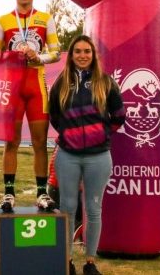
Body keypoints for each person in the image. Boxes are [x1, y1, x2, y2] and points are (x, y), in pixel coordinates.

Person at [48, 35, 125, 275]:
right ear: (70, 55)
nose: (82, 55)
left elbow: (119, 115)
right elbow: (54, 116)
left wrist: (100, 135)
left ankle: (90, 262)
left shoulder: (106, 82)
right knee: (67, 208)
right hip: (68, 155)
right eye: (78, 51)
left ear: (93, 55)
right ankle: (66, 261)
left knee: (93, 209)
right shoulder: (61, 82)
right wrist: (70, 135)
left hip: (98, 157)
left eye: (87, 51)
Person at [0, 0, 60, 212]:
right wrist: (2, 56)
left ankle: (42, 194)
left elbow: (56, 53)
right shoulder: (3, 21)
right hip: (12, 88)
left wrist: (38, 56)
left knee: (40, 143)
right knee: (11, 142)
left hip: (36, 86)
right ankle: (8, 194)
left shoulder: (46, 18)